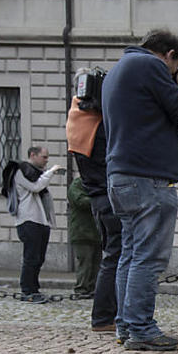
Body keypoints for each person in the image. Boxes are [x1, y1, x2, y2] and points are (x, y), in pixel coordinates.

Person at [101, 29, 178, 351]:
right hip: (148, 178)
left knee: (129, 254)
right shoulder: (150, 67)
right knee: (148, 258)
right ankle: (141, 328)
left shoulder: (117, 71)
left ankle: (126, 326)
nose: (175, 71)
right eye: (177, 65)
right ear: (169, 55)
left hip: (122, 176)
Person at [67, 69, 123, 334]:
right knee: (116, 256)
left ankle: (105, 316)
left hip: (99, 198)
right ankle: (103, 317)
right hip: (108, 197)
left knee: (112, 255)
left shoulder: (78, 122)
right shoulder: (97, 126)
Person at [12, 146, 64, 304]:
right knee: (31, 257)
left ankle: (34, 288)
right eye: (44, 157)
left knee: (38, 258)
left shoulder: (35, 172)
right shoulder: (21, 171)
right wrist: (50, 172)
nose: (46, 160)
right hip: (28, 220)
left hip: (41, 220)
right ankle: (27, 290)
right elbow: (36, 186)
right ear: (32, 155)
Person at [66, 177, 100, 298]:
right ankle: (81, 289)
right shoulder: (78, 184)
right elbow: (80, 201)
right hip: (81, 232)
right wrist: (98, 200)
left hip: (96, 233)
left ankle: (92, 288)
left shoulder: (97, 182)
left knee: (96, 263)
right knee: (85, 262)